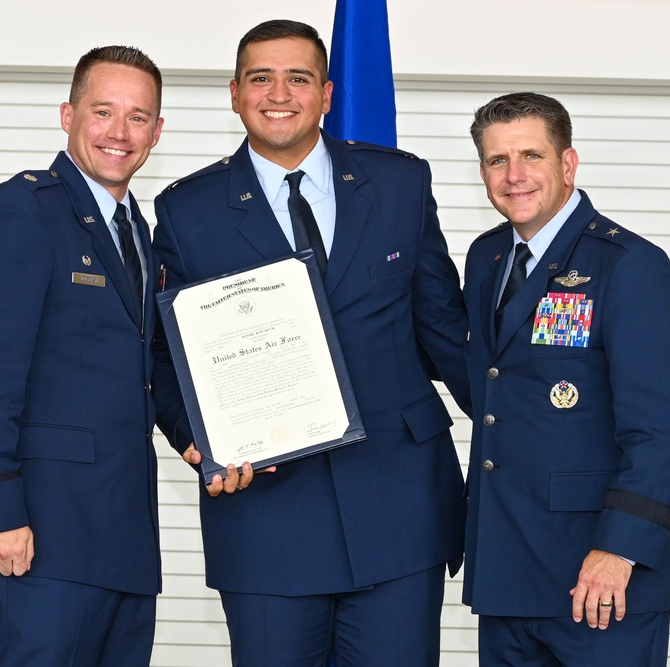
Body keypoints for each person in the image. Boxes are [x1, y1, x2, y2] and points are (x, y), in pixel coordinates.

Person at [151, 19, 469, 667]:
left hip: (400, 505)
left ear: (326, 93)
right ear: (235, 93)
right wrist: (199, 440)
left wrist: (523, 430)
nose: (279, 93)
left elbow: (444, 329)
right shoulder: (189, 209)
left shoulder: (401, 183)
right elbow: (166, 353)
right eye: (260, 78)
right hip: (267, 518)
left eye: (298, 78)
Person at [0, 45, 164, 666]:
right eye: (103, 111)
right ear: (68, 115)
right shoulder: (24, 211)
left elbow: (144, 373)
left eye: (138, 117)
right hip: (43, 537)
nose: (120, 133)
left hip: (124, 540)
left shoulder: (137, 232)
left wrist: (204, 440)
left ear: (157, 131)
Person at [461, 92, 670, 666]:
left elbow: (659, 429)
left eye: (531, 156)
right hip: (506, 566)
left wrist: (619, 549)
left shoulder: (629, 264)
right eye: (496, 160)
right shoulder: (486, 258)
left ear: (568, 164)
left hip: (598, 576)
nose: (514, 176)